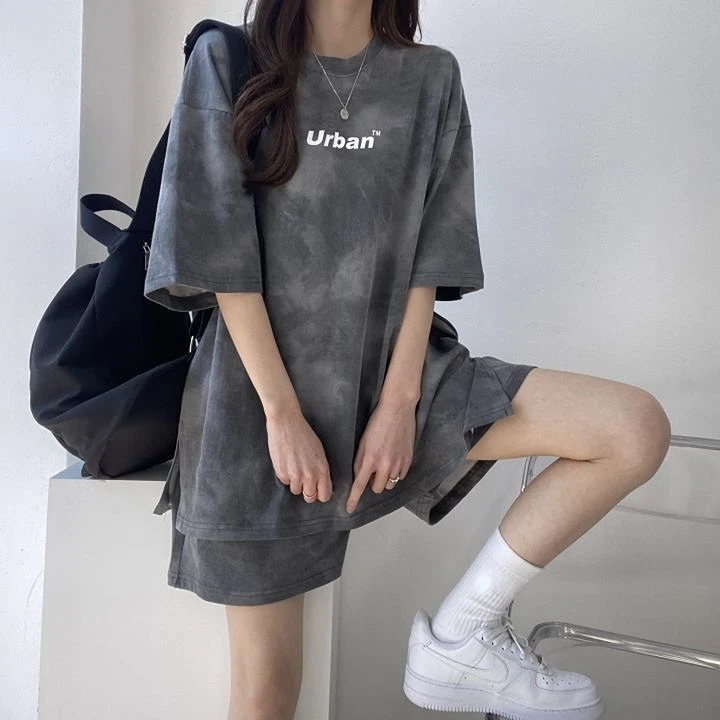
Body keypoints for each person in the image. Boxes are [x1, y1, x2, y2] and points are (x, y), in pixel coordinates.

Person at [143, 2, 672, 719]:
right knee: (266, 697)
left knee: (631, 427)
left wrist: (399, 405)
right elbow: (217, 256)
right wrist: (282, 414)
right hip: (254, 410)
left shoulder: (430, 78)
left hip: (400, 381)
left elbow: (433, 254)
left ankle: (462, 637)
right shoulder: (229, 62)